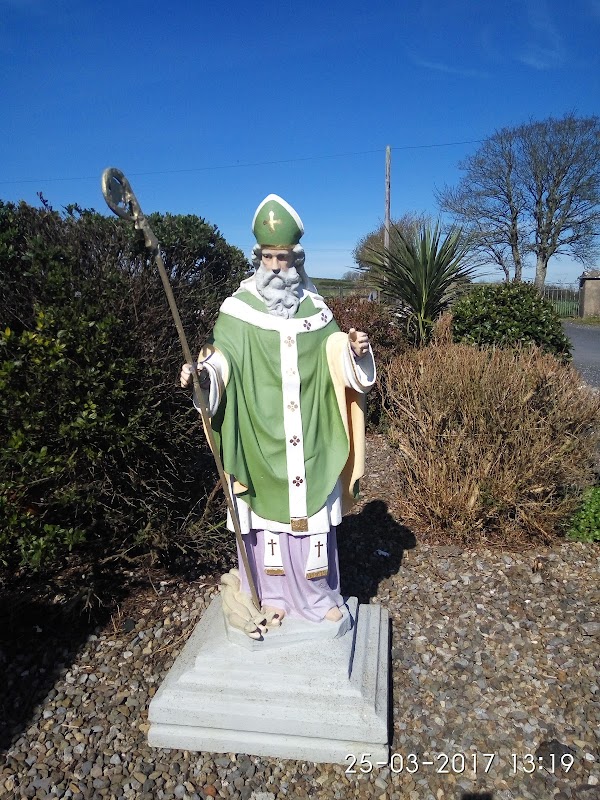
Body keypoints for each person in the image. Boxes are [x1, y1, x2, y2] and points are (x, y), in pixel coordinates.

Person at [180, 194, 375, 638]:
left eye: (281, 258)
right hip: (258, 433)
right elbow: (222, 358)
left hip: (310, 431)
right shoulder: (238, 309)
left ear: (296, 259)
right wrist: (203, 376)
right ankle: (271, 598)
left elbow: (333, 352)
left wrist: (352, 349)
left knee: (313, 520)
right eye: (267, 257)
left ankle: (318, 598)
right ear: (258, 257)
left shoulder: (316, 308)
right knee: (263, 525)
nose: (273, 266)